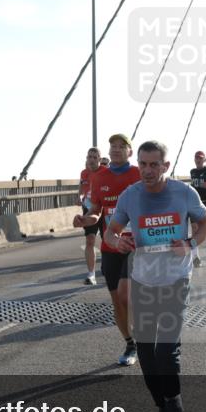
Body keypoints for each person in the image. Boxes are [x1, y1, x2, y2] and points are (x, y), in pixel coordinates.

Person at [105, 140, 206, 412]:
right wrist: (118, 241)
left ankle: (174, 403)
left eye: (154, 165)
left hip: (176, 280)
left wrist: (189, 243)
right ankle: (162, 407)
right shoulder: (130, 195)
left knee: (165, 350)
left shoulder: (184, 193)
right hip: (143, 281)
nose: (147, 170)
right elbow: (111, 232)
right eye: (143, 164)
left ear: (166, 166)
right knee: (146, 354)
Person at [73, 133, 141, 366]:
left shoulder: (139, 174)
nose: (116, 149)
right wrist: (86, 219)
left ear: (130, 152)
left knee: (125, 293)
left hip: (136, 246)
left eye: (122, 146)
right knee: (117, 301)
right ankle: (130, 343)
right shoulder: (99, 177)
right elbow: (96, 211)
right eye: (113, 146)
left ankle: (143, 330)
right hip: (110, 245)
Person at [79, 147, 103, 285]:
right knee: (90, 239)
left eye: (95, 157)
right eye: (89, 157)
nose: (92, 160)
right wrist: (80, 197)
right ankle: (91, 274)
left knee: (107, 240)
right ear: (86, 158)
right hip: (89, 208)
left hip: (104, 210)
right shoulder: (84, 173)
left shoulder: (105, 172)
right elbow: (82, 189)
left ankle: (109, 265)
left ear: (99, 159)